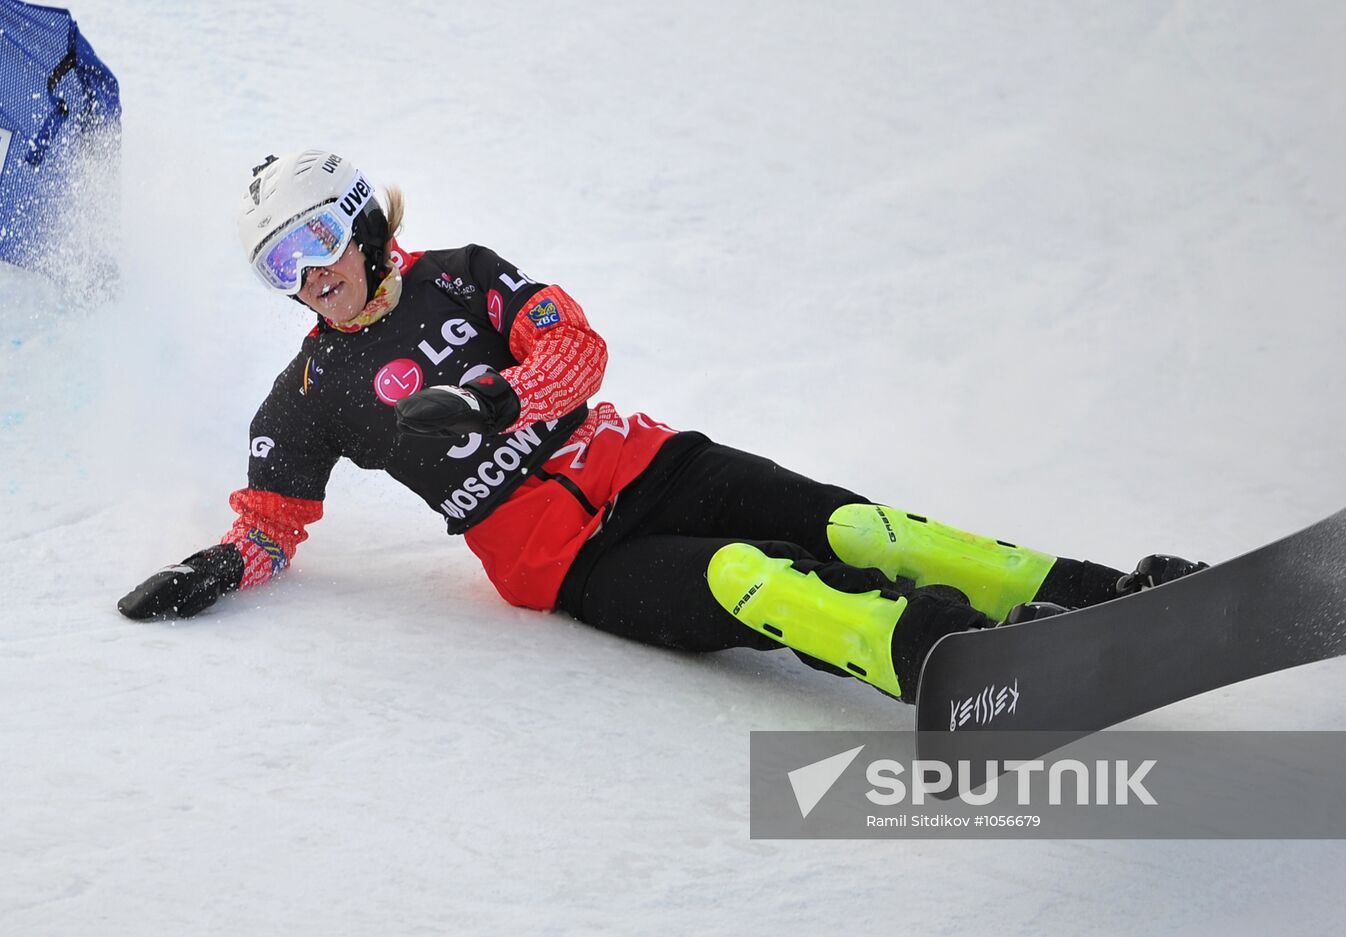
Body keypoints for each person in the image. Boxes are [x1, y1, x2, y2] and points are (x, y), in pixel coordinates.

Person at [117, 149, 1204, 704]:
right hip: (571, 563)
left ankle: (1110, 595)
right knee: (756, 578)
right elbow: (271, 521)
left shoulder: (469, 277)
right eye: (275, 266)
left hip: (653, 463)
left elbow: (577, 354)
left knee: (863, 529)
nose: (305, 280)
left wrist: (495, 398)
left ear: (359, 221)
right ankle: (961, 662)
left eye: (311, 242)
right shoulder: (311, 395)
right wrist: (222, 566)